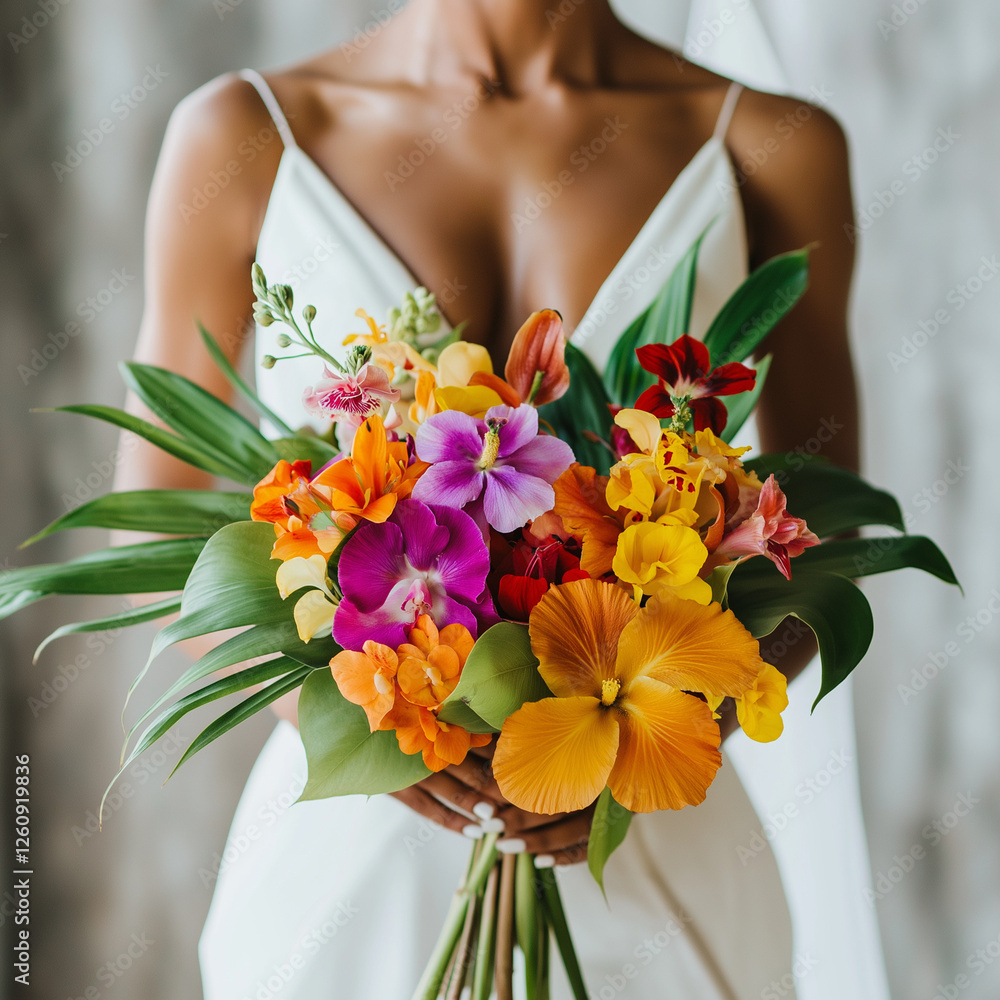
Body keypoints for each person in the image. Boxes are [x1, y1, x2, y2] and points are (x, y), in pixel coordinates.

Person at [115, 1, 859, 995]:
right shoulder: (247, 137)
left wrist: (668, 730)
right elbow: (156, 522)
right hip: (351, 867)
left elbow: (830, 530)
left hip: (651, 853)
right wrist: (356, 717)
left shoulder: (773, 146)